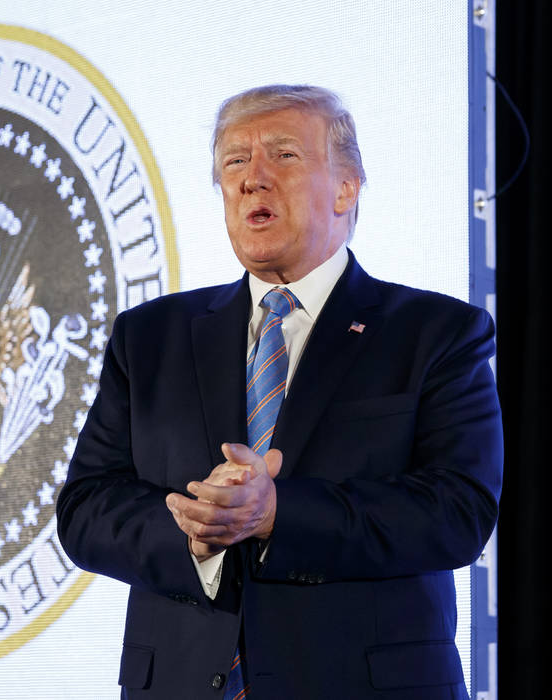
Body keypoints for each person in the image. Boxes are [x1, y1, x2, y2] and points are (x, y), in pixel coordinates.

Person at [55, 84, 502, 699]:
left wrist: (276, 514)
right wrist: (193, 532)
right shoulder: (148, 337)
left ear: (347, 187)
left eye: (283, 155)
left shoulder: (436, 333)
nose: (251, 179)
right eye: (234, 163)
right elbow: (85, 509)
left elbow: (458, 513)